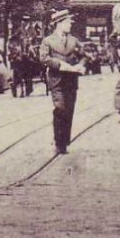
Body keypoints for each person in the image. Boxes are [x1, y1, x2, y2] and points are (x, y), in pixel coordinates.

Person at [39, 10, 86, 153]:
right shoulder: (48, 41)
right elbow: (44, 58)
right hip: (56, 80)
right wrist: (60, 65)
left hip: (71, 80)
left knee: (69, 111)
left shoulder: (73, 40)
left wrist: (80, 65)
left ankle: (64, 141)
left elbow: (83, 56)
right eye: (67, 23)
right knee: (60, 108)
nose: (70, 25)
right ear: (58, 24)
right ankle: (59, 142)